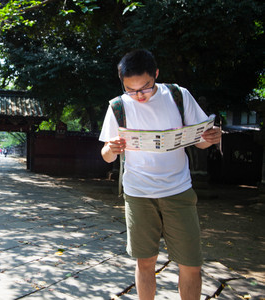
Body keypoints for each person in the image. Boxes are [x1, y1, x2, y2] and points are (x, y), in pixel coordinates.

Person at [99, 49, 222, 300]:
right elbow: (106, 155)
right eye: (130, 90)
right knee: (145, 262)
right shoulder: (118, 106)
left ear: (156, 74)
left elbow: (198, 141)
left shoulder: (178, 95)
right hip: (138, 194)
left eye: (144, 88)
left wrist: (209, 139)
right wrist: (111, 149)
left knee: (191, 263)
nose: (138, 96)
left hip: (178, 190)